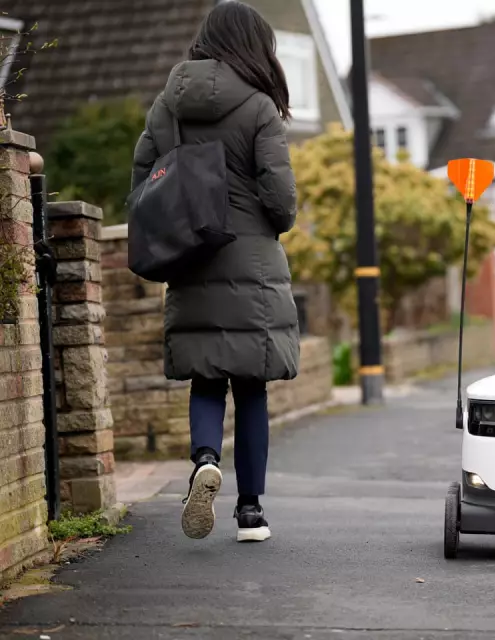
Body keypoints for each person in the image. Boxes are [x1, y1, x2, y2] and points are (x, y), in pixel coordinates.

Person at [130, 1, 299, 543]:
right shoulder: (258, 107)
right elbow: (281, 200)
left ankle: (205, 459)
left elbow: (141, 183)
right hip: (249, 262)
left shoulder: (166, 106)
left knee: (206, 380)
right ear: (254, 46)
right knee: (251, 387)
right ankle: (250, 510)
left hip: (191, 257)